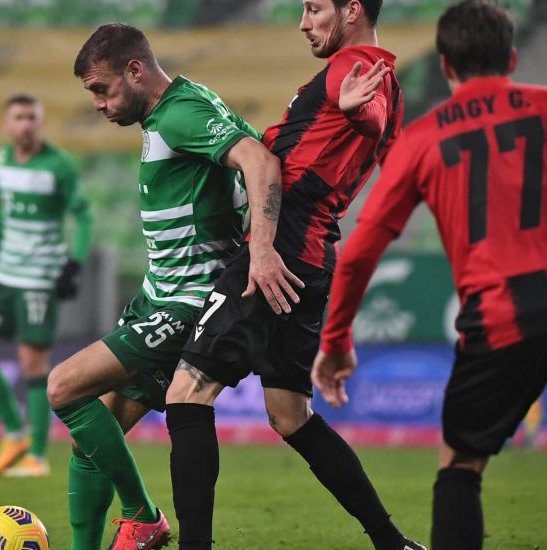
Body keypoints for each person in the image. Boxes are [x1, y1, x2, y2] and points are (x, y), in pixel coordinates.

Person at [311, 2, 547, 549]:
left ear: (445, 65)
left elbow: (362, 250)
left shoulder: (422, 138)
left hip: (495, 321)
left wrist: (336, 340)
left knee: (460, 466)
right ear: (511, 58)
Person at [164, 1, 426, 549]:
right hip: (314, 255)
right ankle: (391, 542)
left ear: (352, 10)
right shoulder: (390, 84)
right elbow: (395, 155)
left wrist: (358, 114)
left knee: (187, 394)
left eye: (314, 8)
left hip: (277, 248)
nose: (304, 23)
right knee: (289, 413)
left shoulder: (353, 69)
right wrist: (361, 119)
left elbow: (370, 118)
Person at [46, 23, 284, 550]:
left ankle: (143, 516)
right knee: (93, 442)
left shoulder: (179, 114)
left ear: (135, 71)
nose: (97, 104)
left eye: (101, 89)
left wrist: (262, 248)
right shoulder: (183, 104)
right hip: (157, 295)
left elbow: (261, 161)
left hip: (184, 303)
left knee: (63, 388)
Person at [0, 92, 92, 478]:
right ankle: (14, 434)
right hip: (4, 273)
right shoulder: (0, 159)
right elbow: (4, 211)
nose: (25, 124)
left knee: (33, 366)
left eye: (32, 117)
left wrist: (74, 265)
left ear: (41, 122)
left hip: (38, 277)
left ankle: (37, 454)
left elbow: (83, 216)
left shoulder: (59, 164)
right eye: (18, 118)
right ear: (6, 124)